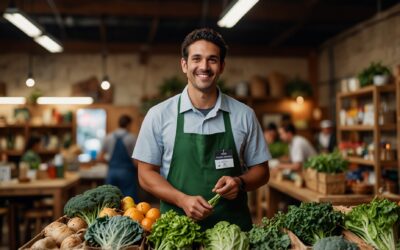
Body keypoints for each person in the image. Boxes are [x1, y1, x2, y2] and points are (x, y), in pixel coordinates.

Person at [133, 28, 270, 231]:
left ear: (222, 66)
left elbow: (262, 171)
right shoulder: (159, 115)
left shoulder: (244, 115)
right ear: (184, 64)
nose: (204, 66)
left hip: (233, 234)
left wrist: (240, 182)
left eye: (212, 59)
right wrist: (181, 199)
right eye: (196, 59)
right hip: (177, 232)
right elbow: (145, 174)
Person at [99, 114, 138, 201]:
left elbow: (100, 158)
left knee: (110, 201)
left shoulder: (108, 137)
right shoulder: (132, 138)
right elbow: (136, 161)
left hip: (112, 172)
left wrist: (112, 164)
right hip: (127, 173)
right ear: (128, 124)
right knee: (129, 201)